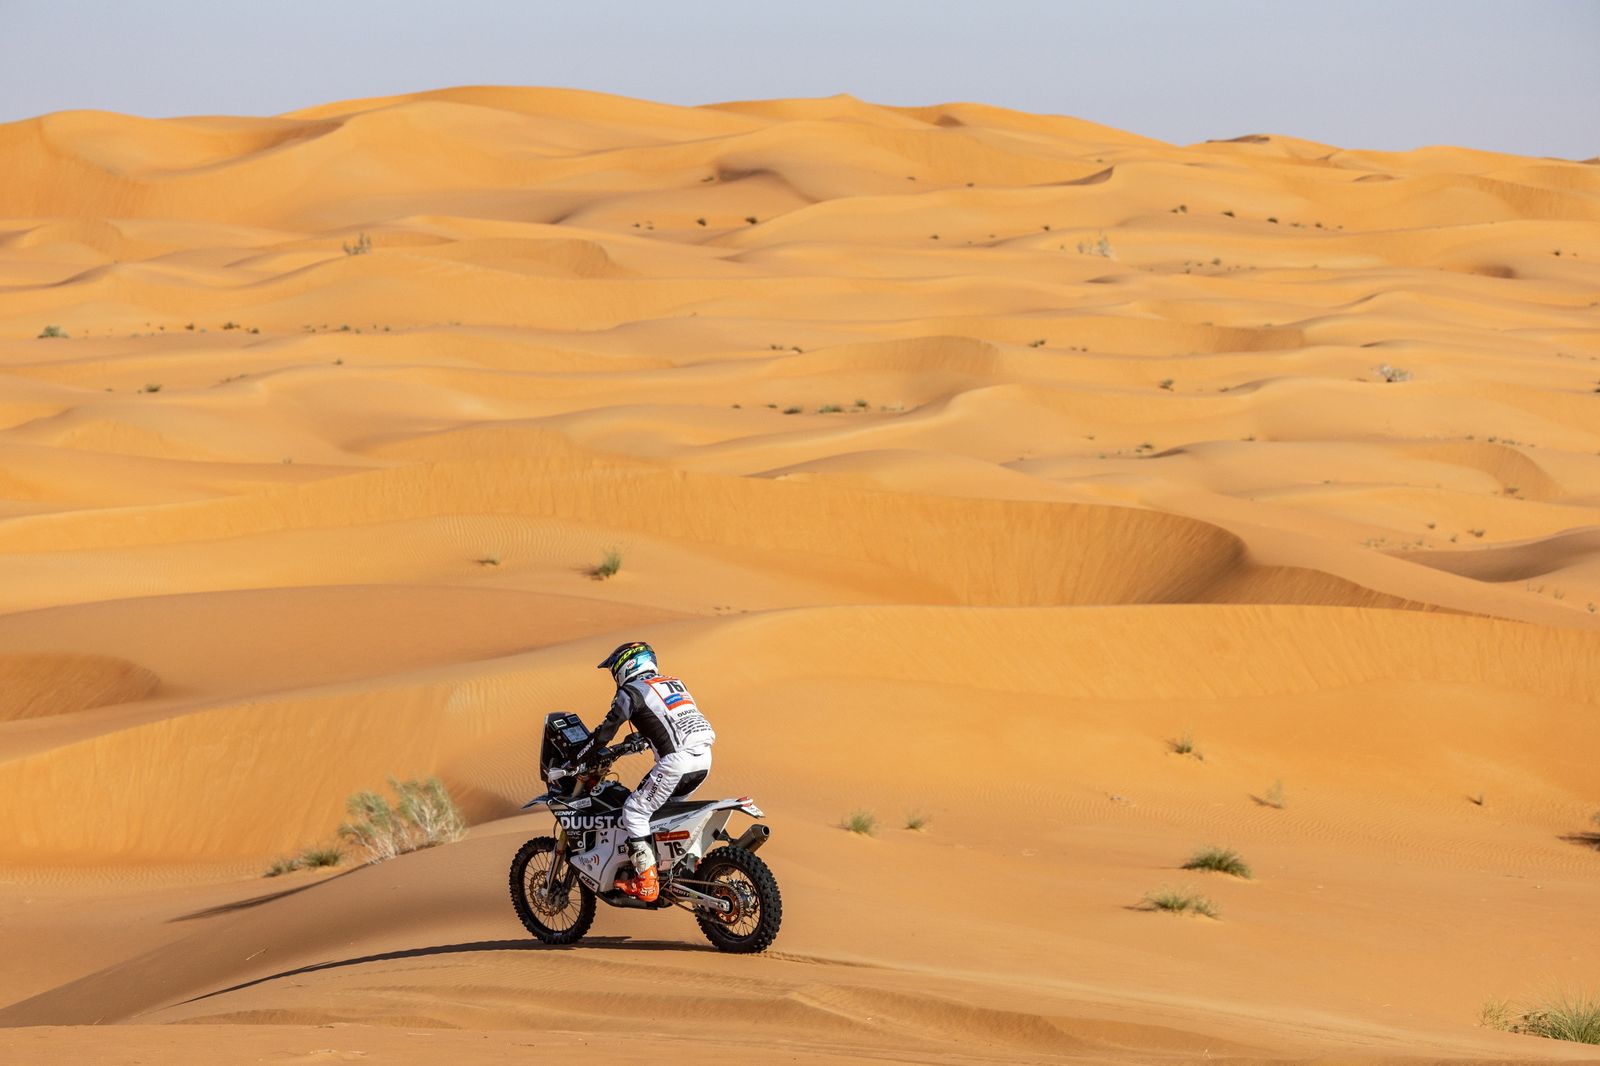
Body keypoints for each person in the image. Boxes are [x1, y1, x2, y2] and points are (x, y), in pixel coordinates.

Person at [580, 641, 716, 902]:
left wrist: (584, 753)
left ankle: (646, 882)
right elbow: (666, 720)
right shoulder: (673, 683)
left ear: (626, 665)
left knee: (634, 811)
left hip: (676, 763)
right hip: (703, 759)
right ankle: (673, 870)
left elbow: (606, 730)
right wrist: (639, 740)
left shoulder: (632, 691)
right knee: (662, 816)